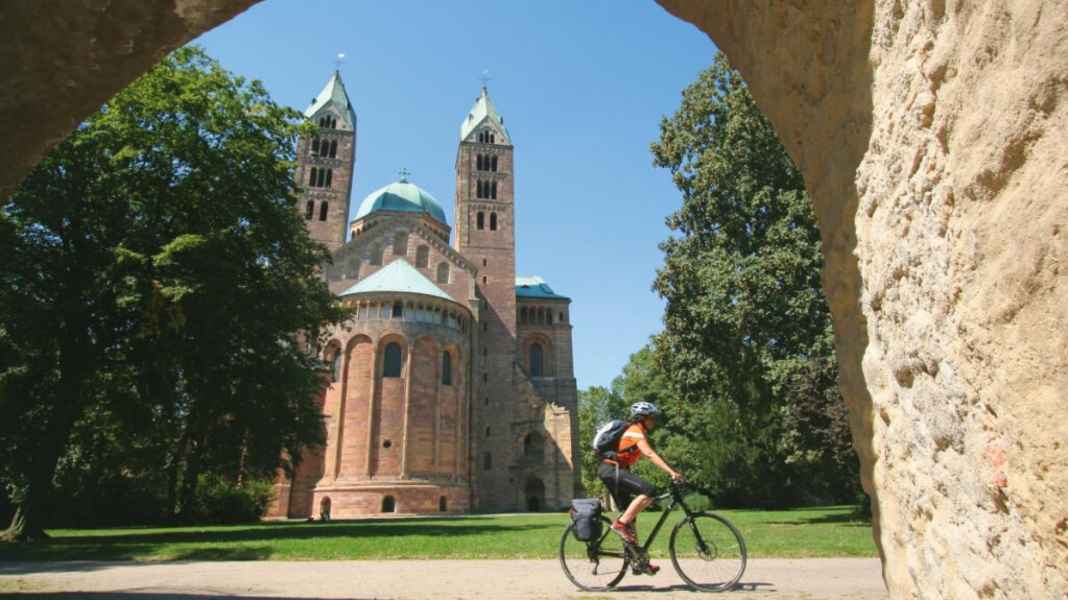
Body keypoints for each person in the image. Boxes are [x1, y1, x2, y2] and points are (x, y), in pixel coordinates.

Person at [598, 401, 683, 574]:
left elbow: (651, 454)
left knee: (631, 518)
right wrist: (671, 472)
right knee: (649, 490)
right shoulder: (634, 431)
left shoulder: (638, 432)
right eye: (652, 418)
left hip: (616, 470)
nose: (654, 421)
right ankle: (619, 525)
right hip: (610, 469)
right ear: (642, 418)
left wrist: (673, 470)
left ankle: (639, 561)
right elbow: (650, 454)